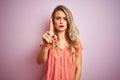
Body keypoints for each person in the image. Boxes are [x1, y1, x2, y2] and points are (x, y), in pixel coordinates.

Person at [37, 5, 83, 80]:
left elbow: (78, 69)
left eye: (65, 19)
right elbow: (39, 61)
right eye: (58, 18)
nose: (61, 22)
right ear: (53, 21)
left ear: (69, 21)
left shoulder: (76, 42)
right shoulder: (47, 39)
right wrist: (45, 46)